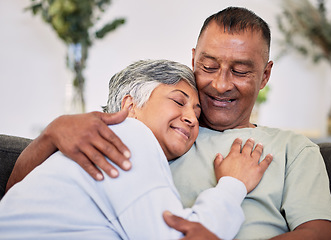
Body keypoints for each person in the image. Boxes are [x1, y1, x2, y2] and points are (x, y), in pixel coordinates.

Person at [6, 7, 331, 240]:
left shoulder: (293, 149)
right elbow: (17, 194)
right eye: (208, 66)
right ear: (193, 58)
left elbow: (322, 232)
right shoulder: (156, 136)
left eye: (240, 71)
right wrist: (51, 134)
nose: (221, 84)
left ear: (265, 74)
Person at [0, 59, 272, 240]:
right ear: (130, 105)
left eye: (197, 112)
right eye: (179, 102)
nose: (191, 118)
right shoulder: (128, 136)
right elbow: (176, 236)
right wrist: (233, 184)